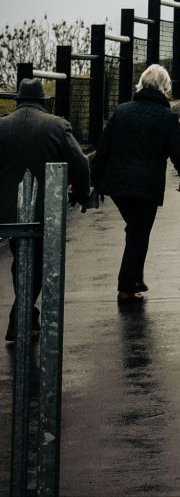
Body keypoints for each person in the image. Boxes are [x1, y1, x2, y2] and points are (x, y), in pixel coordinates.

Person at [91, 63, 180, 302]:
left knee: (135, 229)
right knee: (139, 233)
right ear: (164, 89)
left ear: (141, 85)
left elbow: (103, 148)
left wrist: (94, 181)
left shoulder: (122, 111)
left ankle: (135, 278)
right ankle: (126, 288)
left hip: (117, 186)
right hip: (146, 188)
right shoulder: (167, 117)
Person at [1, 77, 90, 341]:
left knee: (21, 259)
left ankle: (25, 318)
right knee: (37, 263)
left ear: (18, 101)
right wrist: (82, 193)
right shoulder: (57, 126)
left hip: (9, 212)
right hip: (44, 210)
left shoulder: (2, 126)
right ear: (43, 102)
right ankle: (22, 319)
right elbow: (81, 163)